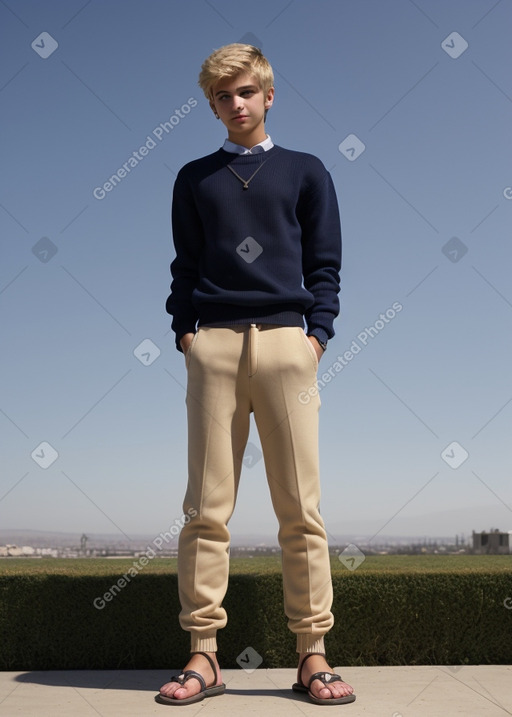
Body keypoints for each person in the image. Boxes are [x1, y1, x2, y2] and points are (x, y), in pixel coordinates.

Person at [157, 43, 355, 707]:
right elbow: (184, 266)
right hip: (212, 346)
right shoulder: (194, 178)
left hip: (285, 347)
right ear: (212, 104)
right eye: (223, 96)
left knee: (301, 508)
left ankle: (313, 654)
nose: (235, 104)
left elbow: (325, 266)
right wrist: (186, 333)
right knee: (205, 510)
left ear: (269, 96)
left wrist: (316, 337)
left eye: (246, 92)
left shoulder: (307, 171)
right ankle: (204, 655)